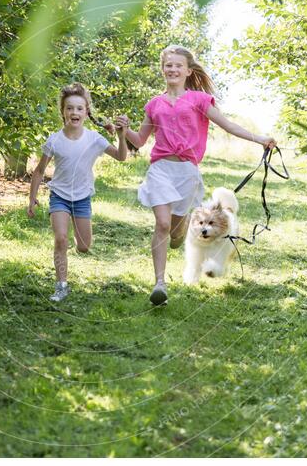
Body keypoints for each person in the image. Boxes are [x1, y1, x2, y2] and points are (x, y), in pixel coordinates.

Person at [122, 45, 277, 306]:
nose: (172, 69)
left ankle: (179, 232)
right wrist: (124, 130)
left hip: (187, 172)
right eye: (168, 65)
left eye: (177, 65)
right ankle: (159, 283)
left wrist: (260, 139)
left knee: (175, 232)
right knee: (161, 224)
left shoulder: (199, 100)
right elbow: (139, 140)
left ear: (188, 71)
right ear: (162, 69)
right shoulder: (154, 104)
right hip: (160, 168)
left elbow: (228, 125)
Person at [28, 83, 128, 302]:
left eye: (79, 108)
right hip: (59, 197)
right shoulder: (54, 140)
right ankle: (61, 285)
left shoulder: (94, 139)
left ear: (86, 112)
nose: (74, 112)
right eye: (70, 108)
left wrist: (121, 136)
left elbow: (121, 157)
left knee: (83, 247)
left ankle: (76, 239)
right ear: (63, 111)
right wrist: (32, 198)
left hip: (82, 198)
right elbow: (39, 171)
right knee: (61, 239)